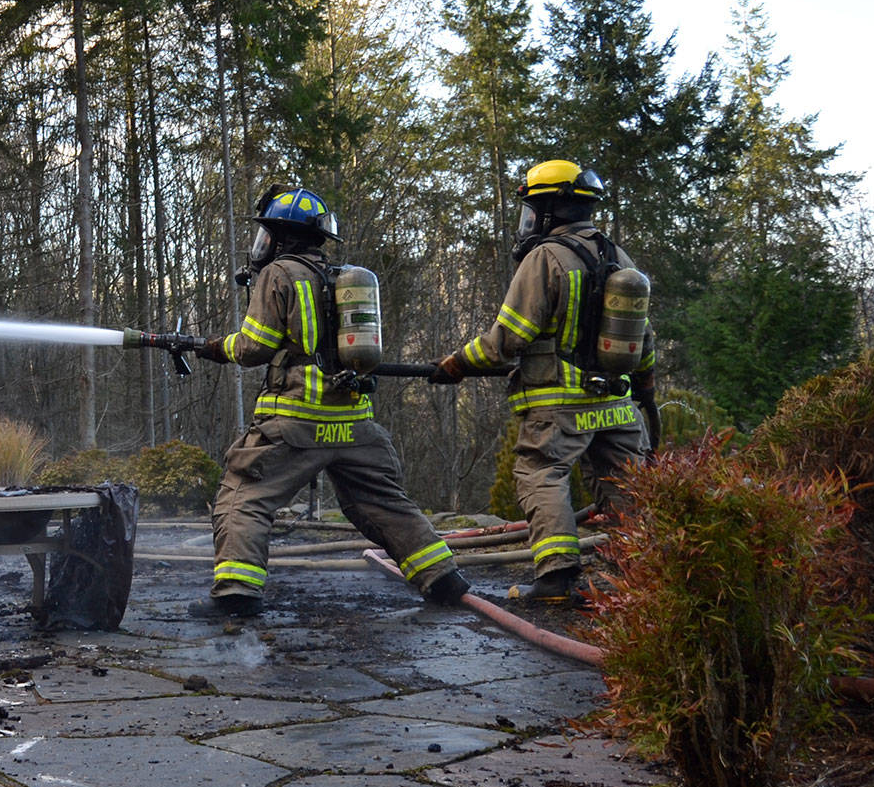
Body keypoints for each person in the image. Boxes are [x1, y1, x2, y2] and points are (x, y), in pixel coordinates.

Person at [191, 185, 469, 618]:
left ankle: (236, 594)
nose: (262, 244)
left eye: (267, 235)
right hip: (355, 426)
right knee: (383, 504)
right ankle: (444, 579)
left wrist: (215, 347)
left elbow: (253, 347)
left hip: (295, 422)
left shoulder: (279, 273)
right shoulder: (344, 280)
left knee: (242, 498)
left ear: (282, 237)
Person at [432, 160, 657, 602]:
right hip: (617, 403)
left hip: (560, 404)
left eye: (532, 210)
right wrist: (645, 384)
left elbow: (508, 338)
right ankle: (645, 573)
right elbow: (643, 335)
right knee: (625, 482)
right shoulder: (617, 256)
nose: (528, 221)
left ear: (550, 210)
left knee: (541, 474)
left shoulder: (546, 257)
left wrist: (457, 363)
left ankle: (557, 576)